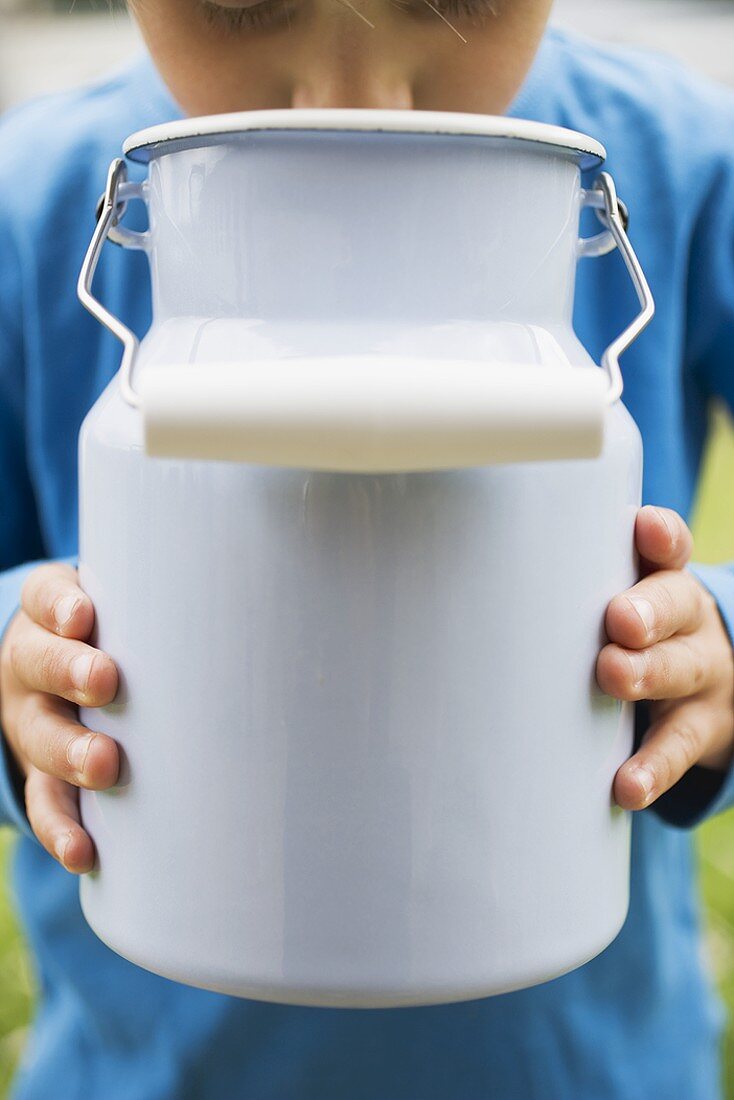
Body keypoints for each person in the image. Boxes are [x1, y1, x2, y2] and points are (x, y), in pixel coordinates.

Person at [0, 0, 733, 1096]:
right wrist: (22, 660)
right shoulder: (38, 201)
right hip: (154, 1069)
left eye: (452, 5)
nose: (353, 103)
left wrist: (715, 637)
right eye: (247, 12)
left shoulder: (676, 160)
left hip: (577, 1067)